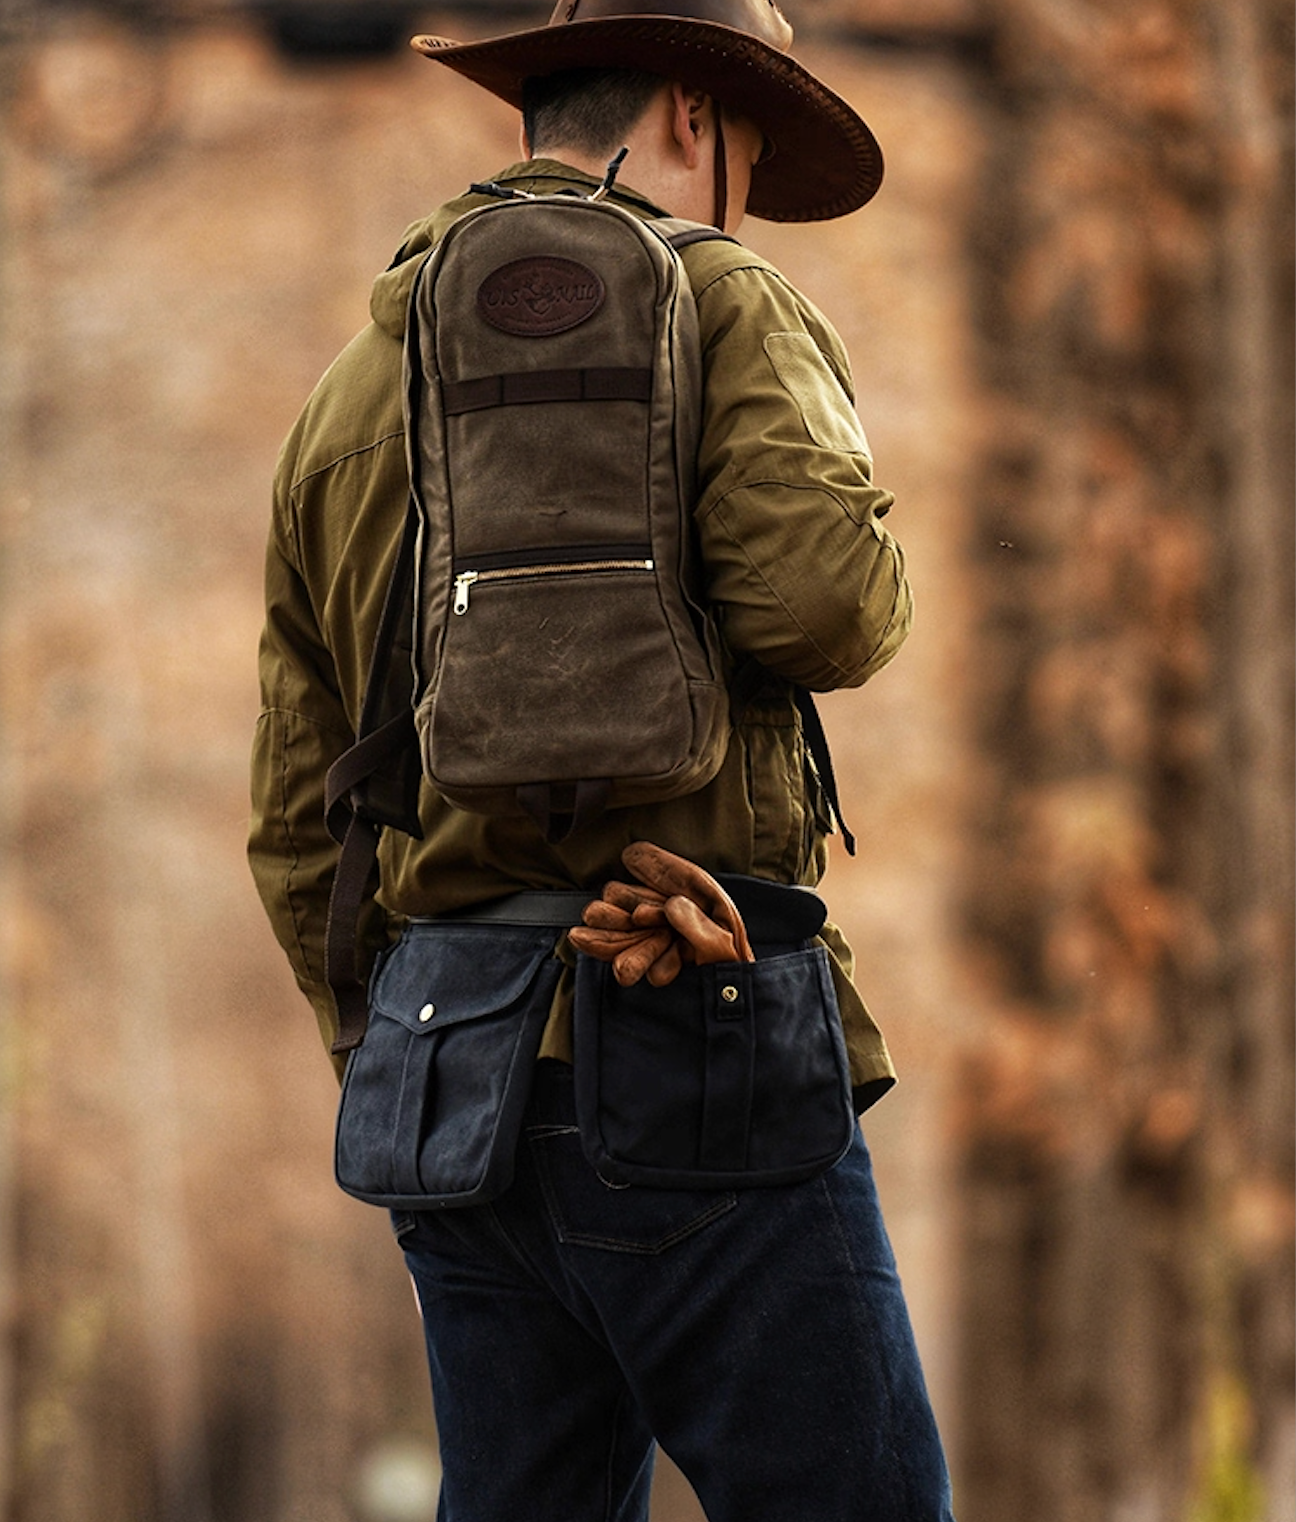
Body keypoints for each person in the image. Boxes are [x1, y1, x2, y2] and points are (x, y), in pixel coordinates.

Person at [249, 2, 955, 1517]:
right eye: (753, 150)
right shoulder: (727, 299)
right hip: (688, 1025)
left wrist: (395, 1042)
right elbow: (832, 603)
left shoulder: (346, 392)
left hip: (447, 1076)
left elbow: (299, 808)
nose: (747, 190)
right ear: (697, 113)